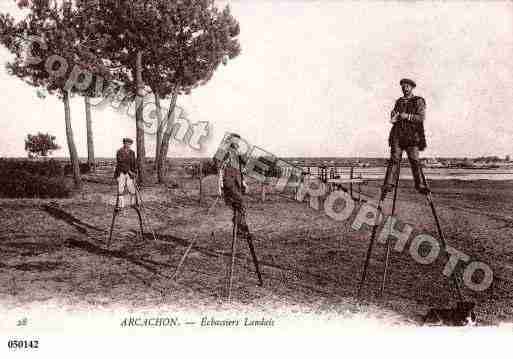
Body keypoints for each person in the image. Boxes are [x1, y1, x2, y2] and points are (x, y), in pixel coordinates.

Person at [383, 78, 429, 195]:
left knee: (414, 160)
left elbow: (421, 117)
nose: (405, 88)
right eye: (403, 86)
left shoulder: (418, 101)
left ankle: (420, 185)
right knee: (394, 160)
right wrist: (393, 115)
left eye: (407, 86)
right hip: (397, 134)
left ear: (412, 87)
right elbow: (394, 116)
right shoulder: (399, 101)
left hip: (412, 136)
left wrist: (407, 116)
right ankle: (388, 184)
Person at [217, 133, 250, 237]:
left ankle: (239, 228)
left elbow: (241, 170)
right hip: (229, 183)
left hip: (237, 183)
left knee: (239, 206)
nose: (237, 143)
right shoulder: (224, 151)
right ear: (230, 141)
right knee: (241, 203)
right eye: (235, 141)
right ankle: (239, 228)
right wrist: (219, 185)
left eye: (238, 141)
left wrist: (244, 182)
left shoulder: (238, 154)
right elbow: (220, 169)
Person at [114, 138, 137, 207]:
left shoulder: (132, 152)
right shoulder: (119, 151)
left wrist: (135, 172)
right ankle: (121, 205)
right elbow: (121, 163)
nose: (128, 145)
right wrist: (129, 171)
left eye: (130, 144)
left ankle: (133, 203)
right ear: (124, 143)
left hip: (130, 173)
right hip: (121, 172)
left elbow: (134, 163)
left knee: (131, 188)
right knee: (121, 188)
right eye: (127, 143)